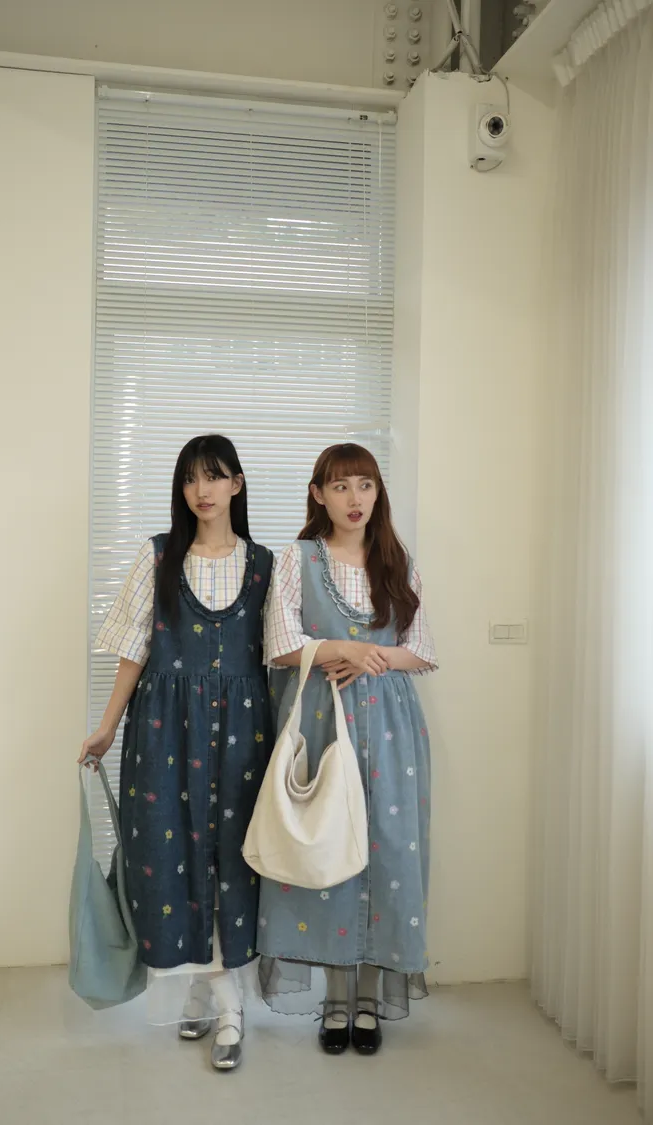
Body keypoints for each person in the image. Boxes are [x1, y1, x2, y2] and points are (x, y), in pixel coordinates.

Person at [79, 435, 273, 1071]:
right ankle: (218, 997)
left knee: (232, 860)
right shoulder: (158, 555)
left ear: (237, 484)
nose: (202, 490)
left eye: (214, 477)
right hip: (165, 731)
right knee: (170, 858)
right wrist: (107, 727)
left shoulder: (265, 565)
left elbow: (281, 653)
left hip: (244, 735)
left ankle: (215, 999)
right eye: (190, 478)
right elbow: (134, 647)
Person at [257, 443, 437, 1055]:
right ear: (318, 494)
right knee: (328, 848)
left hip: (390, 725)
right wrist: (344, 649)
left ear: (377, 492)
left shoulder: (397, 562)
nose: (354, 498)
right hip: (321, 720)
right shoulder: (298, 558)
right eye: (340, 486)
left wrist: (371, 657)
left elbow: (422, 651)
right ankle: (335, 1002)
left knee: (385, 854)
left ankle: (368, 1001)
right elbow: (280, 645)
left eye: (365, 485)